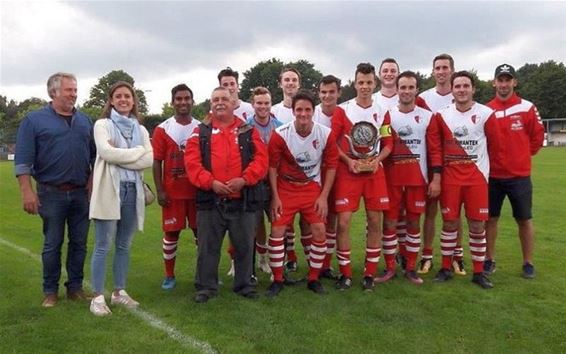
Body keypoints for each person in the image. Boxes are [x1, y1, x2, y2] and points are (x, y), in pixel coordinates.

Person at [15, 72, 95, 308]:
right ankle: (50, 291)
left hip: (81, 192)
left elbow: (94, 155)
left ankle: (75, 288)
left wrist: (92, 180)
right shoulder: (33, 121)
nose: (74, 94)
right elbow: (23, 160)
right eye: (69, 90)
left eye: (75, 89)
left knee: (79, 243)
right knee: (52, 243)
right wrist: (26, 191)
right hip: (51, 193)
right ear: (53, 92)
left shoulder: (84, 121)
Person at [185, 87, 268, 303]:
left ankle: (244, 285)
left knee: (244, 246)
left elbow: (261, 160)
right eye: (215, 99)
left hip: (242, 200)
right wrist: (211, 183)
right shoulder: (199, 131)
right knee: (207, 248)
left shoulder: (248, 130)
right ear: (210, 104)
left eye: (224, 99)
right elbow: (192, 164)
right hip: (210, 200)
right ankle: (206, 287)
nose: (220, 102)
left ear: (233, 103)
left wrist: (245, 179)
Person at [429, 71, 500, 289]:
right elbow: (435, 150)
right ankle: (445, 267)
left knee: (477, 225)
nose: (461, 90)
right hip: (450, 179)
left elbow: (495, 147)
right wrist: (438, 177)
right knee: (449, 223)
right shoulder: (440, 115)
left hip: (476, 179)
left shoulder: (487, 114)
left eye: (465, 86)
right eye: (457, 86)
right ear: (452, 89)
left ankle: (479, 272)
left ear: (473, 89)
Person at [89, 81, 153, 315]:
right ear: (112, 100)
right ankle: (97, 296)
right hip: (109, 189)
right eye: (118, 96)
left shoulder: (141, 129)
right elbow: (106, 153)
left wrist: (122, 155)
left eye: (127, 96)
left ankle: (119, 292)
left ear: (134, 101)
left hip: (132, 190)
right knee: (103, 245)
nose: (123, 99)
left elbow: (149, 160)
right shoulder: (102, 125)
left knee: (124, 245)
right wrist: (137, 151)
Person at [265, 90, 338, 297]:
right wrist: (275, 197)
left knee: (319, 230)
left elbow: (331, 166)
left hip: (311, 188)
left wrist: (323, 196)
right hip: (286, 188)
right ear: (293, 111)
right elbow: (272, 167)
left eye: (307, 110)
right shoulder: (281, 134)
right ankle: (278, 279)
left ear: (313, 111)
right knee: (277, 232)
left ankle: (313, 278)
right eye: (299, 110)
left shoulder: (325, 133)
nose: (303, 114)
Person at [332, 63, 393, 291]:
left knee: (376, 221)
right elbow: (333, 143)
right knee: (344, 223)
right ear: (355, 83)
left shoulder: (382, 111)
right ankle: (346, 273)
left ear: (374, 83)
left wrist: (377, 160)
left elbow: (388, 144)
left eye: (369, 82)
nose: (365, 86)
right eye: (361, 82)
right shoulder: (343, 110)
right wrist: (349, 162)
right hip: (349, 172)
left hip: (374, 173)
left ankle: (369, 273)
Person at [375, 71, 439, 285]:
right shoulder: (388, 115)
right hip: (392, 179)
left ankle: (411, 268)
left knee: (413, 222)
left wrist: (436, 178)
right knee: (390, 222)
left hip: (417, 180)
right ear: (397, 89)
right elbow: (385, 145)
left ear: (417, 90)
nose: (406, 91)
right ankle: (390, 267)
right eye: (403, 87)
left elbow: (434, 151)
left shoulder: (428, 116)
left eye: (411, 87)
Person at [484, 64, 545, 279]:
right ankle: (489, 260)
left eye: (507, 80)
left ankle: (528, 262)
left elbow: (537, 137)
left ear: (514, 82)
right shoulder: (486, 109)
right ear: (494, 83)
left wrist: (520, 156)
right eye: (500, 80)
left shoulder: (527, 107)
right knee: (490, 219)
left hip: (519, 176)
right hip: (492, 176)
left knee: (524, 219)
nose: (503, 84)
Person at [416, 54, 466, 275]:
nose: (442, 71)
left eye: (445, 67)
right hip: (430, 163)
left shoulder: (461, 95)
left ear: (452, 70)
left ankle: (457, 255)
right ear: (433, 71)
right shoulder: (423, 98)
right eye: (438, 68)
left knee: (455, 214)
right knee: (430, 212)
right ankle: (426, 256)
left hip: (456, 164)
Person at [152, 84, 200, 290]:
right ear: (172, 102)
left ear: (192, 101)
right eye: (179, 99)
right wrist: (160, 190)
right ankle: (169, 275)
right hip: (172, 192)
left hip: (198, 191)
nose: (183, 102)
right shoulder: (163, 129)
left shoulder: (200, 127)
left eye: (187, 98)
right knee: (172, 234)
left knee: (202, 234)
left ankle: (204, 274)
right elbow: (156, 162)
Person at [246, 86, 283, 275]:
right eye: (259, 103)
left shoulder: (280, 126)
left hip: (275, 182)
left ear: (271, 104)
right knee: (256, 222)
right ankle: (261, 259)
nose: (263, 106)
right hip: (254, 182)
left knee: (277, 222)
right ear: (253, 104)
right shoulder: (245, 126)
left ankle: (277, 262)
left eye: (266, 103)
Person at [313, 74, 343, 279]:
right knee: (315, 219)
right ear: (319, 93)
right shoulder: (312, 113)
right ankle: (313, 260)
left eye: (332, 92)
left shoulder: (345, 112)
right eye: (324, 92)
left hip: (339, 171)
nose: (327, 96)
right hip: (315, 173)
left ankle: (326, 264)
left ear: (339, 93)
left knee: (332, 218)